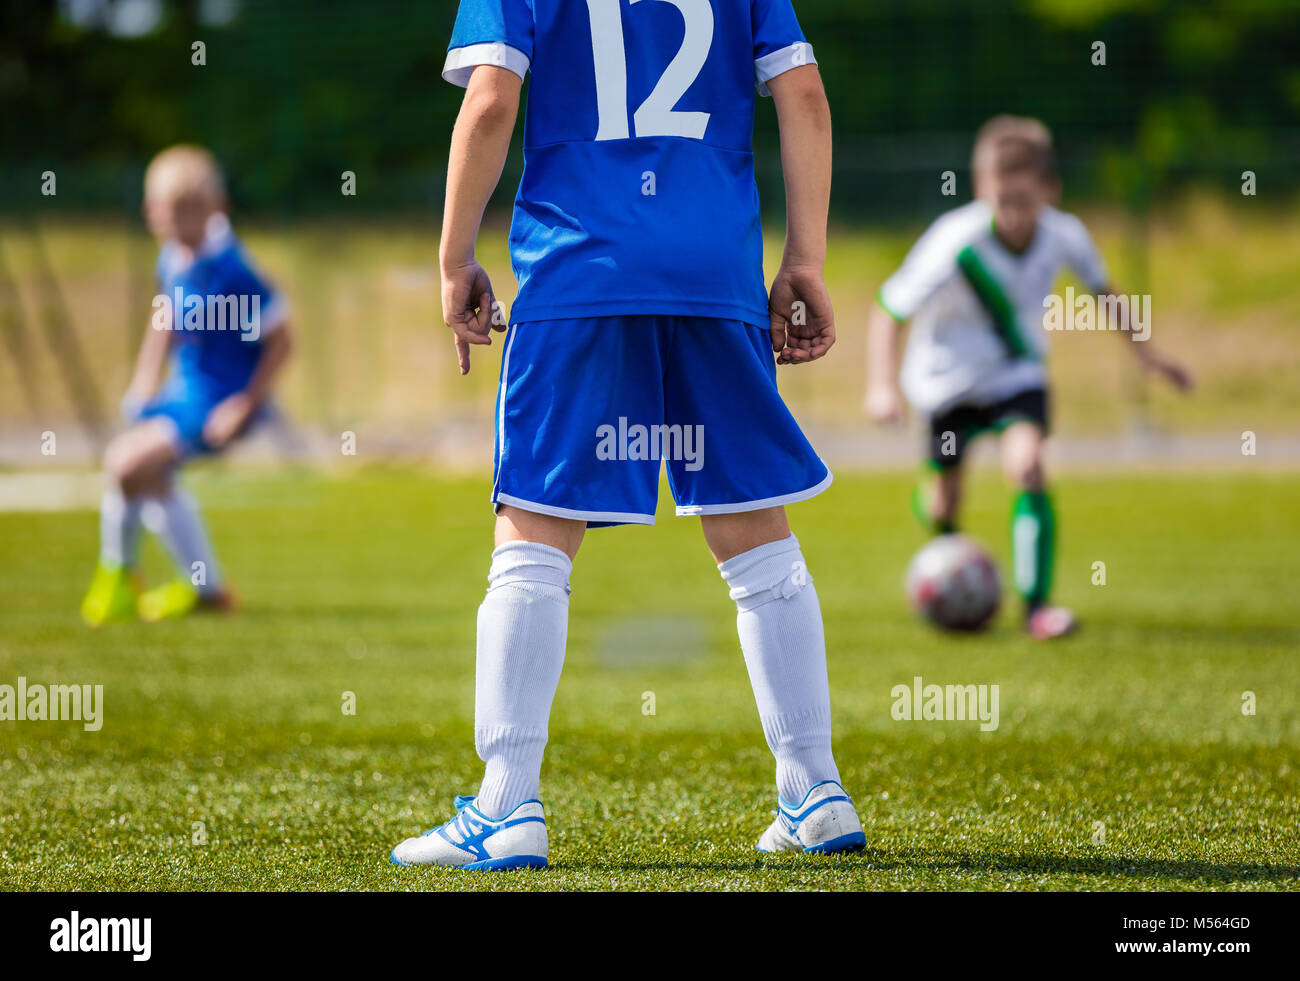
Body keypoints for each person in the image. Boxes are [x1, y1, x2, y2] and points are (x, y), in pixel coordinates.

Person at [390, 0, 863, 870]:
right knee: (755, 530)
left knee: (534, 530)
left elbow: (492, 101)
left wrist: (455, 258)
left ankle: (507, 802)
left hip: (582, 269)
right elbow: (804, 97)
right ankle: (813, 784)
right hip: (712, 269)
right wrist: (805, 259)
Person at [865, 116, 1192, 639]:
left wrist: (1150, 356)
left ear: (1049, 191)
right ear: (981, 190)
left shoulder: (1066, 234)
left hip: (1016, 376)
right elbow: (888, 309)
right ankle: (946, 545)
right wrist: (880, 386)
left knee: (1029, 465)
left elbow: (1106, 295)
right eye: (1003, 200)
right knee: (944, 501)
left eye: (1026, 200)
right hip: (945, 382)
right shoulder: (954, 241)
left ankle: (1037, 608)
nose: (1015, 214)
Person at [80, 145, 293, 625]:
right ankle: (207, 590)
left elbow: (283, 341)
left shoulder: (233, 271)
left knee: (124, 464)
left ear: (217, 207)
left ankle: (118, 576)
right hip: (182, 393)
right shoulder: (172, 258)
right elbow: (165, 316)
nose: (180, 221)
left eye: (192, 209)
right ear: (150, 213)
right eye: (169, 211)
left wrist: (245, 403)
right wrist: (144, 379)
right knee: (147, 477)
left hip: (217, 401)